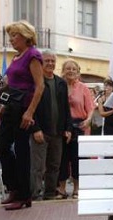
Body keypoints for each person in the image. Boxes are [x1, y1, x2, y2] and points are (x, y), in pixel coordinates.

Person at [0, 20, 44, 210]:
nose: (11, 39)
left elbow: (39, 86)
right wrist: (2, 107)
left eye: (15, 35)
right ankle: (14, 187)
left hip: (23, 109)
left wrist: (30, 112)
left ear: (25, 36)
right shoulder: (16, 57)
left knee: (22, 151)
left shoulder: (33, 55)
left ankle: (24, 195)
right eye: (10, 35)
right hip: (10, 108)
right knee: (2, 145)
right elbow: (10, 86)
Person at [29, 50, 72, 200]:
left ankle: (49, 194)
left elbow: (66, 108)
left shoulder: (61, 83)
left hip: (58, 132)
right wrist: (35, 129)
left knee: (54, 166)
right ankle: (35, 195)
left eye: (52, 61)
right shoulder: (35, 82)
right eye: (47, 61)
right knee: (38, 167)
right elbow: (31, 107)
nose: (50, 64)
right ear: (41, 62)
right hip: (40, 131)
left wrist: (68, 128)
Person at [57, 59, 94, 199]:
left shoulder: (83, 88)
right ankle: (61, 188)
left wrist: (88, 120)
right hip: (63, 126)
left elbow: (90, 107)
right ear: (63, 71)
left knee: (76, 157)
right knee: (62, 157)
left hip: (79, 125)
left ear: (78, 72)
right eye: (68, 68)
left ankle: (77, 189)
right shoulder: (59, 86)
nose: (71, 71)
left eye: (73, 69)